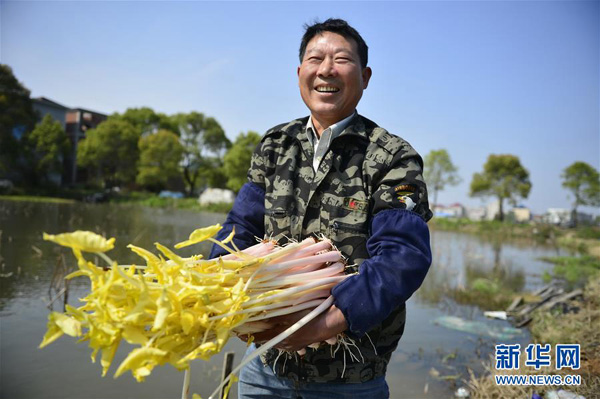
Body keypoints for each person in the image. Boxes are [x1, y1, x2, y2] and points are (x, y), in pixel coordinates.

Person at [210, 18, 433, 399]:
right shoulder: (276, 145)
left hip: (350, 380)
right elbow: (240, 227)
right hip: (264, 367)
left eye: (341, 59)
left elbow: (403, 257)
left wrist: (325, 323)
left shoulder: (393, 157)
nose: (326, 69)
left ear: (364, 76)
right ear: (300, 73)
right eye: (315, 58)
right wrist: (213, 285)